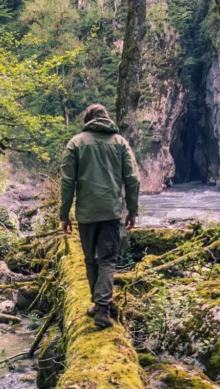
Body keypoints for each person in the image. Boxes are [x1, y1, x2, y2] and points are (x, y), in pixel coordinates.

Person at [59, 104, 141, 329]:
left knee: (90, 259)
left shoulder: (75, 143)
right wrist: (132, 211)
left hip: (86, 212)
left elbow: (67, 182)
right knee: (107, 259)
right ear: (106, 119)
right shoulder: (120, 143)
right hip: (111, 211)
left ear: (87, 120)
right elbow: (132, 179)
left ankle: (98, 304)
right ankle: (102, 308)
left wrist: (64, 214)